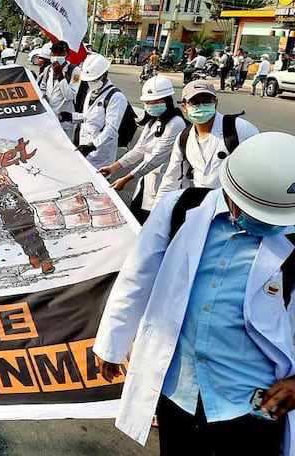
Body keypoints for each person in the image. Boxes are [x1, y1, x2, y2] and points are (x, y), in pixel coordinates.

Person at [93, 132, 295, 456]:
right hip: (178, 391)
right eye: (258, 215)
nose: (267, 225)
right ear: (232, 195)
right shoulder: (179, 209)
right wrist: (112, 344)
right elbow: (137, 276)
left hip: (251, 402)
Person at [98, 76, 187, 223]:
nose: (151, 105)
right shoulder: (153, 122)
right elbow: (139, 150)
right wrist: (112, 168)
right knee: (136, 220)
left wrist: (126, 179)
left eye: (156, 102)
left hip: (164, 183)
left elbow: (156, 158)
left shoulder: (176, 123)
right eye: (148, 102)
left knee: (153, 225)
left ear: (167, 101)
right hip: (147, 180)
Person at [155, 80, 258, 205]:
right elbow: (170, 180)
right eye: (194, 102)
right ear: (184, 107)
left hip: (235, 208)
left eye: (206, 100)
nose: (201, 106)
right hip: (201, 207)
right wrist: (156, 215)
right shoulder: (184, 138)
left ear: (215, 103)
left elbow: (259, 176)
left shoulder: (241, 130)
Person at [62, 53, 128, 171]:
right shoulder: (91, 91)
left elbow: (111, 129)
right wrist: (69, 117)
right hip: (84, 148)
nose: (90, 82)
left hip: (101, 154)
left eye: (94, 79)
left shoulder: (116, 97)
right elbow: (89, 117)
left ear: (105, 75)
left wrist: (92, 146)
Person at [0, 173, 54, 274]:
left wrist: (6, 176)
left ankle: (45, 262)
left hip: (25, 219)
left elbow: (13, 185)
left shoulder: (11, 188)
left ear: (3, 180)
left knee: (34, 239)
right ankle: (32, 254)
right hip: (11, 223)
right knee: (23, 241)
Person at [38, 41, 81, 141]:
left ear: (66, 54)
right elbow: (43, 87)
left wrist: (60, 76)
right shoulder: (48, 69)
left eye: (60, 54)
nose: (56, 57)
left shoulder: (75, 71)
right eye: (54, 54)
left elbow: (70, 96)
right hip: (49, 118)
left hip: (65, 121)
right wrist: (43, 95)